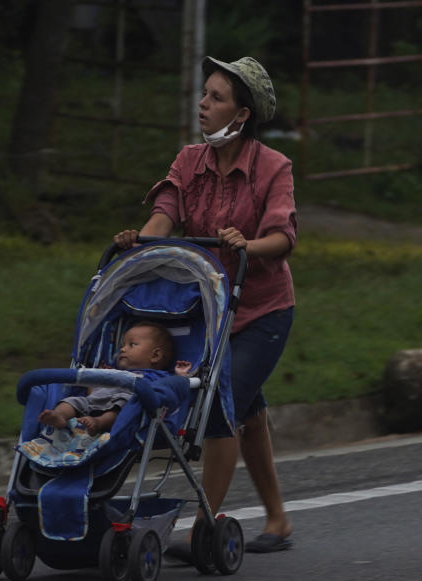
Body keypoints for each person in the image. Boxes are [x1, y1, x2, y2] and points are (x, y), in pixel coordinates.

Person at [114, 55, 296, 554]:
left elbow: (282, 236)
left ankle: (203, 525)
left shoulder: (274, 168)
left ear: (240, 115)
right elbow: (164, 214)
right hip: (208, 313)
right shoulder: (188, 160)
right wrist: (141, 244)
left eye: (216, 98)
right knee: (248, 409)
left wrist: (246, 246)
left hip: (261, 311)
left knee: (221, 405)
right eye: (204, 94)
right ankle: (277, 519)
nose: (202, 104)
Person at [38, 321, 192, 436]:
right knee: (73, 400)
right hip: (94, 402)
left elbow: (173, 388)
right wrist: (98, 379)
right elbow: (93, 394)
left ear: (155, 355)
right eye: (122, 345)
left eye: (132, 344)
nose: (123, 349)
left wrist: (181, 376)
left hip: (125, 407)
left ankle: (99, 423)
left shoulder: (160, 376)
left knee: (122, 403)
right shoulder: (114, 372)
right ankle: (59, 416)